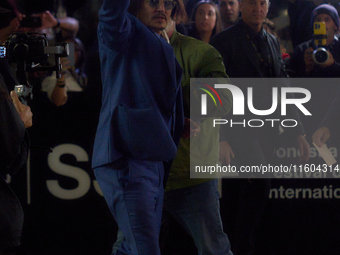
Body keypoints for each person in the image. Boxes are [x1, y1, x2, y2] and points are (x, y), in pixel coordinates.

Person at [211, 0, 310, 254]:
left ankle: (231, 247)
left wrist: (298, 132)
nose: (258, 7)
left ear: (267, 7)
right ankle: (242, 247)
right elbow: (213, 90)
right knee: (258, 185)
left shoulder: (272, 41)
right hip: (236, 128)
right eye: (251, 3)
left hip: (266, 130)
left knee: (239, 194)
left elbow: (283, 88)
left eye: (262, 3)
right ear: (242, 6)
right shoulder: (224, 41)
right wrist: (220, 136)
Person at [91, 0, 184, 254]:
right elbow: (110, 13)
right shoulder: (124, 29)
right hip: (128, 158)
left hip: (154, 161)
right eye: (153, 1)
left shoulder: (162, 40)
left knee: (130, 248)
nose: (162, 8)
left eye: (168, 3)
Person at [290, 3, 340, 77]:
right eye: (318, 20)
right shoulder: (301, 49)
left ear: (335, 25)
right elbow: (292, 82)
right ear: (313, 25)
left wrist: (333, 65)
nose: (322, 23)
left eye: (327, 19)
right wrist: (306, 69)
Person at [41, 37, 87, 106]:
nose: (69, 54)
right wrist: (61, 73)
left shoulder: (82, 77)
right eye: (65, 49)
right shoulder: (52, 74)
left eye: (72, 49)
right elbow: (58, 101)